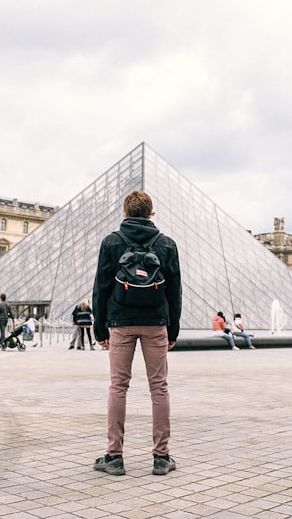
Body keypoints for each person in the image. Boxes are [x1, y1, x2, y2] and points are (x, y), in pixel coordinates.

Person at [93, 190, 181, 477]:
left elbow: (101, 287)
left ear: (126, 212)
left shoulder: (112, 242)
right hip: (156, 322)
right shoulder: (166, 244)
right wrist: (173, 328)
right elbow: (175, 291)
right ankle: (161, 457)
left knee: (118, 386)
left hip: (120, 322)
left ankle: (114, 456)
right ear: (150, 212)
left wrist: (99, 327)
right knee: (159, 387)